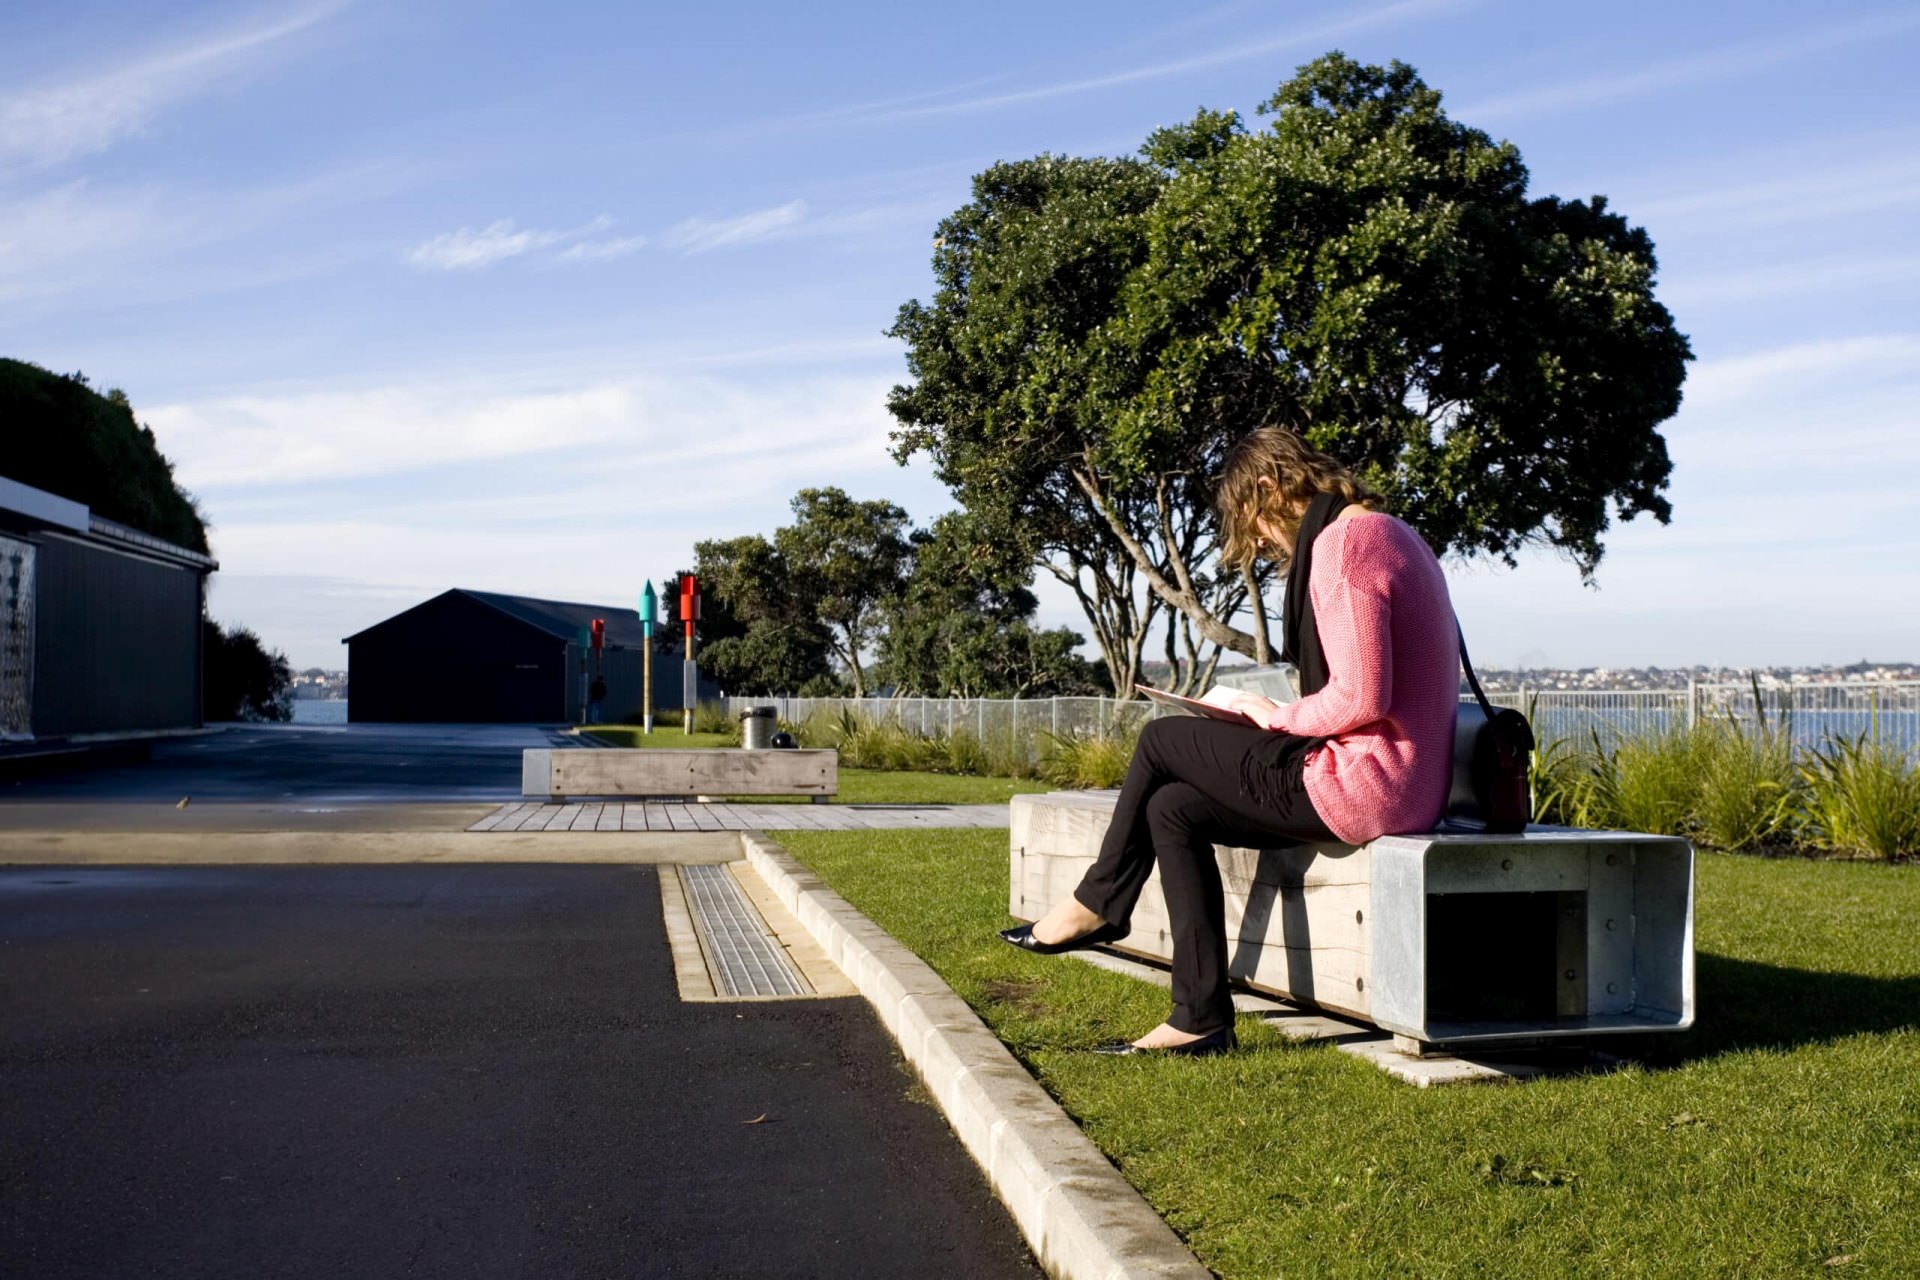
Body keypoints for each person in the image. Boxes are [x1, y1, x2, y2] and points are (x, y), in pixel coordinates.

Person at [1000, 427, 1461, 1056]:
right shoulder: (1391, 531)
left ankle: (1099, 903)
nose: (1270, 549)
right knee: (1174, 810)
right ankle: (1199, 1018)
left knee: (1162, 740)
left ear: (1269, 489)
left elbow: (1360, 698)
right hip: (1403, 784)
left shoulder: (1347, 542)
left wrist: (1270, 717)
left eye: (1260, 531)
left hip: (1367, 785)